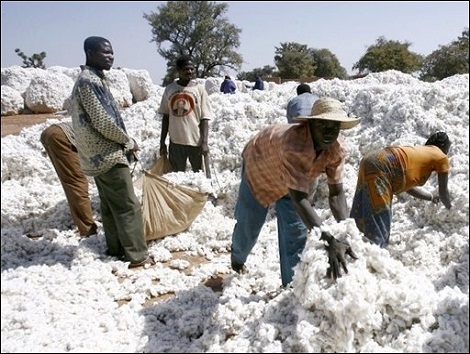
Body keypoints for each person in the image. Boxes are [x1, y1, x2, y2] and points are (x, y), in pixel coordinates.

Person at [230, 97, 361, 287]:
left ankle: (291, 286)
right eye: (322, 126)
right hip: (262, 167)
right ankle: (237, 258)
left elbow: (336, 194)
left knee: (296, 231)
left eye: (334, 127)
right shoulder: (293, 145)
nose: (328, 132)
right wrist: (329, 240)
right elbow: (299, 199)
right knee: (250, 223)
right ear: (311, 124)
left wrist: (346, 231)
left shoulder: (337, 149)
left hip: (298, 177)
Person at [70, 36, 154, 269]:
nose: (110, 56)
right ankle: (138, 255)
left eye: (111, 52)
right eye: (104, 52)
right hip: (107, 154)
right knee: (127, 205)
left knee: (110, 205)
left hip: (97, 156)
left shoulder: (91, 79)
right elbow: (103, 122)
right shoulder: (89, 82)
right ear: (89, 52)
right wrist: (128, 141)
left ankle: (116, 249)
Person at [350, 132, 452, 248]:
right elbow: (443, 192)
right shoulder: (441, 156)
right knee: (380, 214)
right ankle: (375, 251)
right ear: (444, 147)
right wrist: (451, 210)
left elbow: (407, 187)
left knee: (362, 206)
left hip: (372, 159)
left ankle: (352, 240)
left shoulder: (420, 153)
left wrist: (431, 197)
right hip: (384, 167)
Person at [40, 121, 98, 237]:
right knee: (77, 183)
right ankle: (87, 230)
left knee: (70, 181)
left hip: (53, 132)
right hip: (62, 137)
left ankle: (84, 224)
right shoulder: (115, 143)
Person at [158, 54, 213, 172]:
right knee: (177, 178)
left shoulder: (200, 90)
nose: (189, 71)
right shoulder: (170, 89)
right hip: (176, 143)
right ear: (178, 70)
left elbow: (204, 118)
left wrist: (204, 142)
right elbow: (166, 118)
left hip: (195, 143)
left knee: (197, 177)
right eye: (186, 69)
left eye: (192, 69)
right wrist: (162, 142)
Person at [286, 83, 320, 204]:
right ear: (310, 91)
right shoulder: (317, 99)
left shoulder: (292, 102)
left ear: (298, 93)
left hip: (298, 136)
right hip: (315, 136)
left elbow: (290, 122)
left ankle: (296, 198)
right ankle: (308, 201)